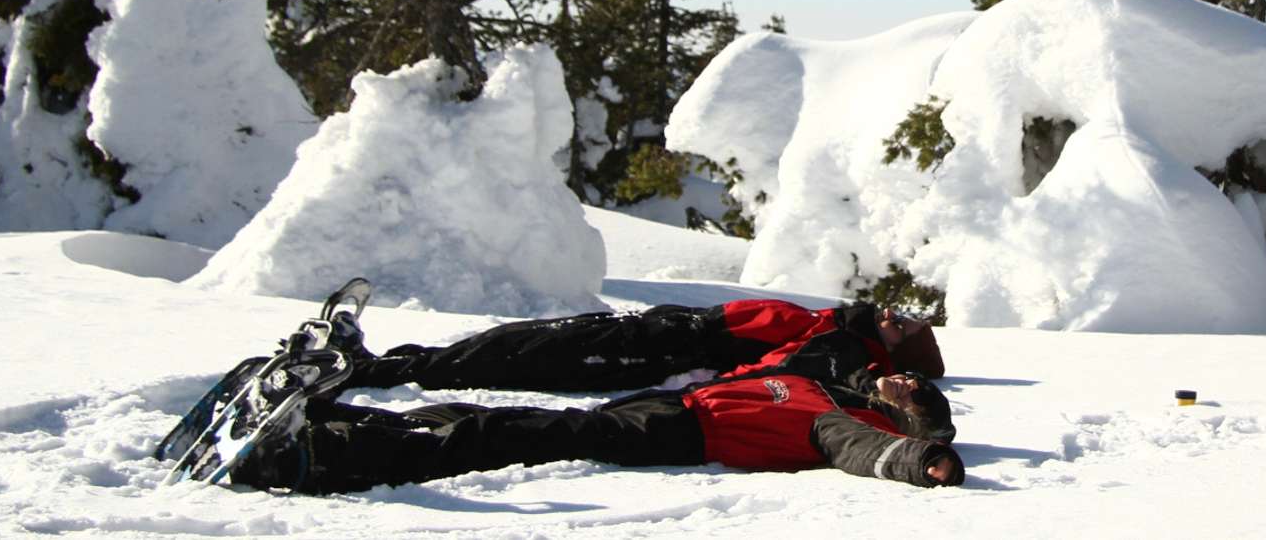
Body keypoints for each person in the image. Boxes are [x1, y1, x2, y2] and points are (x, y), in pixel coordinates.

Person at [230, 370, 964, 494]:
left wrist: (923, 457)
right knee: (494, 419)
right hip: (667, 410)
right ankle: (344, 422)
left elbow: (866, 453)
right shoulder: (818, 383)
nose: (900, 383)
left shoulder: (844, 422)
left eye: (914, 393)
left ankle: (317, 458)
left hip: (677, 441)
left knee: (514, 436)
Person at [345, 298, 944, 395]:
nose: (898, 314)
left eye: (906, 325)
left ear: (897, 350)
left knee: (525, 355)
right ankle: (394, 361)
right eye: (905, 313)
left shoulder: (844, 345)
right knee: (521, 339)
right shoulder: (836, 319)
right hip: (666, 326)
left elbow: (778, 367)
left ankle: (377, 373)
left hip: (667, 349)